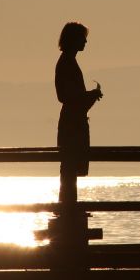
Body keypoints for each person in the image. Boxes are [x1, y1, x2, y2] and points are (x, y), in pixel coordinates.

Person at [55, 22, 103, 203]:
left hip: (73, 122)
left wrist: (89, 97)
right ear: (73, 39)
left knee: (70, 170)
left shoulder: (68, 61)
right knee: (69, 168)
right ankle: (68, 210)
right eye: (82, 38)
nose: (85, 42)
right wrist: (89, 95)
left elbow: (71, 98)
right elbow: (65, 96)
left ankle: (68, 208)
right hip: (72, 125)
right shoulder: (67, 62)